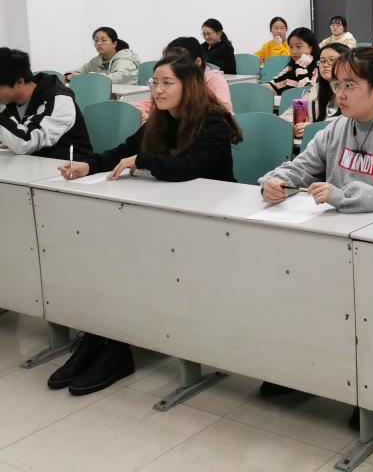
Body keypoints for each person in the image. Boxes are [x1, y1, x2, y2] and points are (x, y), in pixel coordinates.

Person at [259, 46, 373, 403]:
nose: (339, 94)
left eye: (349, 86)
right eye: (337, 85)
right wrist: (274, 181)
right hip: (345, 235)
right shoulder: (339, 127)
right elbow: (301, 166)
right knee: (306, 291)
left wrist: (343, 196)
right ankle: (307, 370)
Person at [53, 56, 242, 396]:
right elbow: (124, 151)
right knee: (107, 251)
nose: (158, 90)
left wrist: (142, 160)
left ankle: (115, 346)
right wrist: (88, 165)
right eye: (155, 82)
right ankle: (98, 337)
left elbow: (188, 167)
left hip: (209, 222)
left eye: (167, 83)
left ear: (190, 86)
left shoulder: (213, 122)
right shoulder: (160, 119)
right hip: (166, 213)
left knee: (128, 259)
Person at [0, 47, 92, 159]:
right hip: (32, 164)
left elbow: (26, 143)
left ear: (19, 82)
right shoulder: (12, 102)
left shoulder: (59, 100)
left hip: (70, 165)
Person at [133, 37, 232, 121]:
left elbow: (223, 112)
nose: (169, 66)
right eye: (167, 61)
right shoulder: (168, 87)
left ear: (197, 62)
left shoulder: (214, 81)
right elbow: (149, 103)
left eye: (177, 63)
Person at [282, 43, 347, 138]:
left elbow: (351, 124)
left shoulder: (355, 91)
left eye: (332, 60)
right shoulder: (313, 90)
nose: (325, 65)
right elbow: (288, 117)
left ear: (347, 63)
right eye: (322, 61)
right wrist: (296, 128)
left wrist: (313, 129)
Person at [65, 27, 140, 85]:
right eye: (96, 40)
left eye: (103, 40)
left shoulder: (125, 59)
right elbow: (80, 71)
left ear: (114, 44)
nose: (99, 43)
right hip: (102, 95)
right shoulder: (96, 60)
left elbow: (117, 78)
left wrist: (88, 78)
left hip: (127, 97)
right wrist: (68, 76)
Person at [268, 27, 319, 95]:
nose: (294, 51)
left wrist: (301, 66)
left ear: (310, 48)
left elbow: (306, 94)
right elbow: (271, 87)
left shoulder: (318, 68)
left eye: (298, 46)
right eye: (291, 47)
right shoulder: (290, 68)